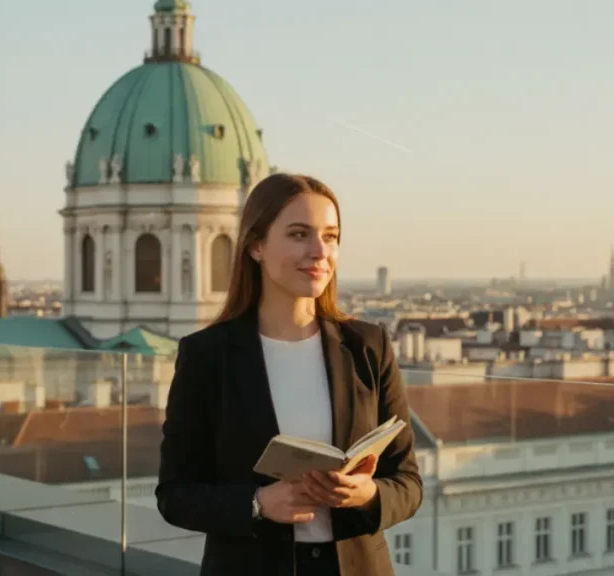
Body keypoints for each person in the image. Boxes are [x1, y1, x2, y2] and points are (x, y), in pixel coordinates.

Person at [155, 173, 422, 575]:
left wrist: (368, 494)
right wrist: (258, 504)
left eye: (331, 236)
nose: (319, 251)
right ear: (257, 246)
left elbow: (408, 482)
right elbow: (175, 494)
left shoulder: (369, 347)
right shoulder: (207, 356)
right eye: (299, 234)